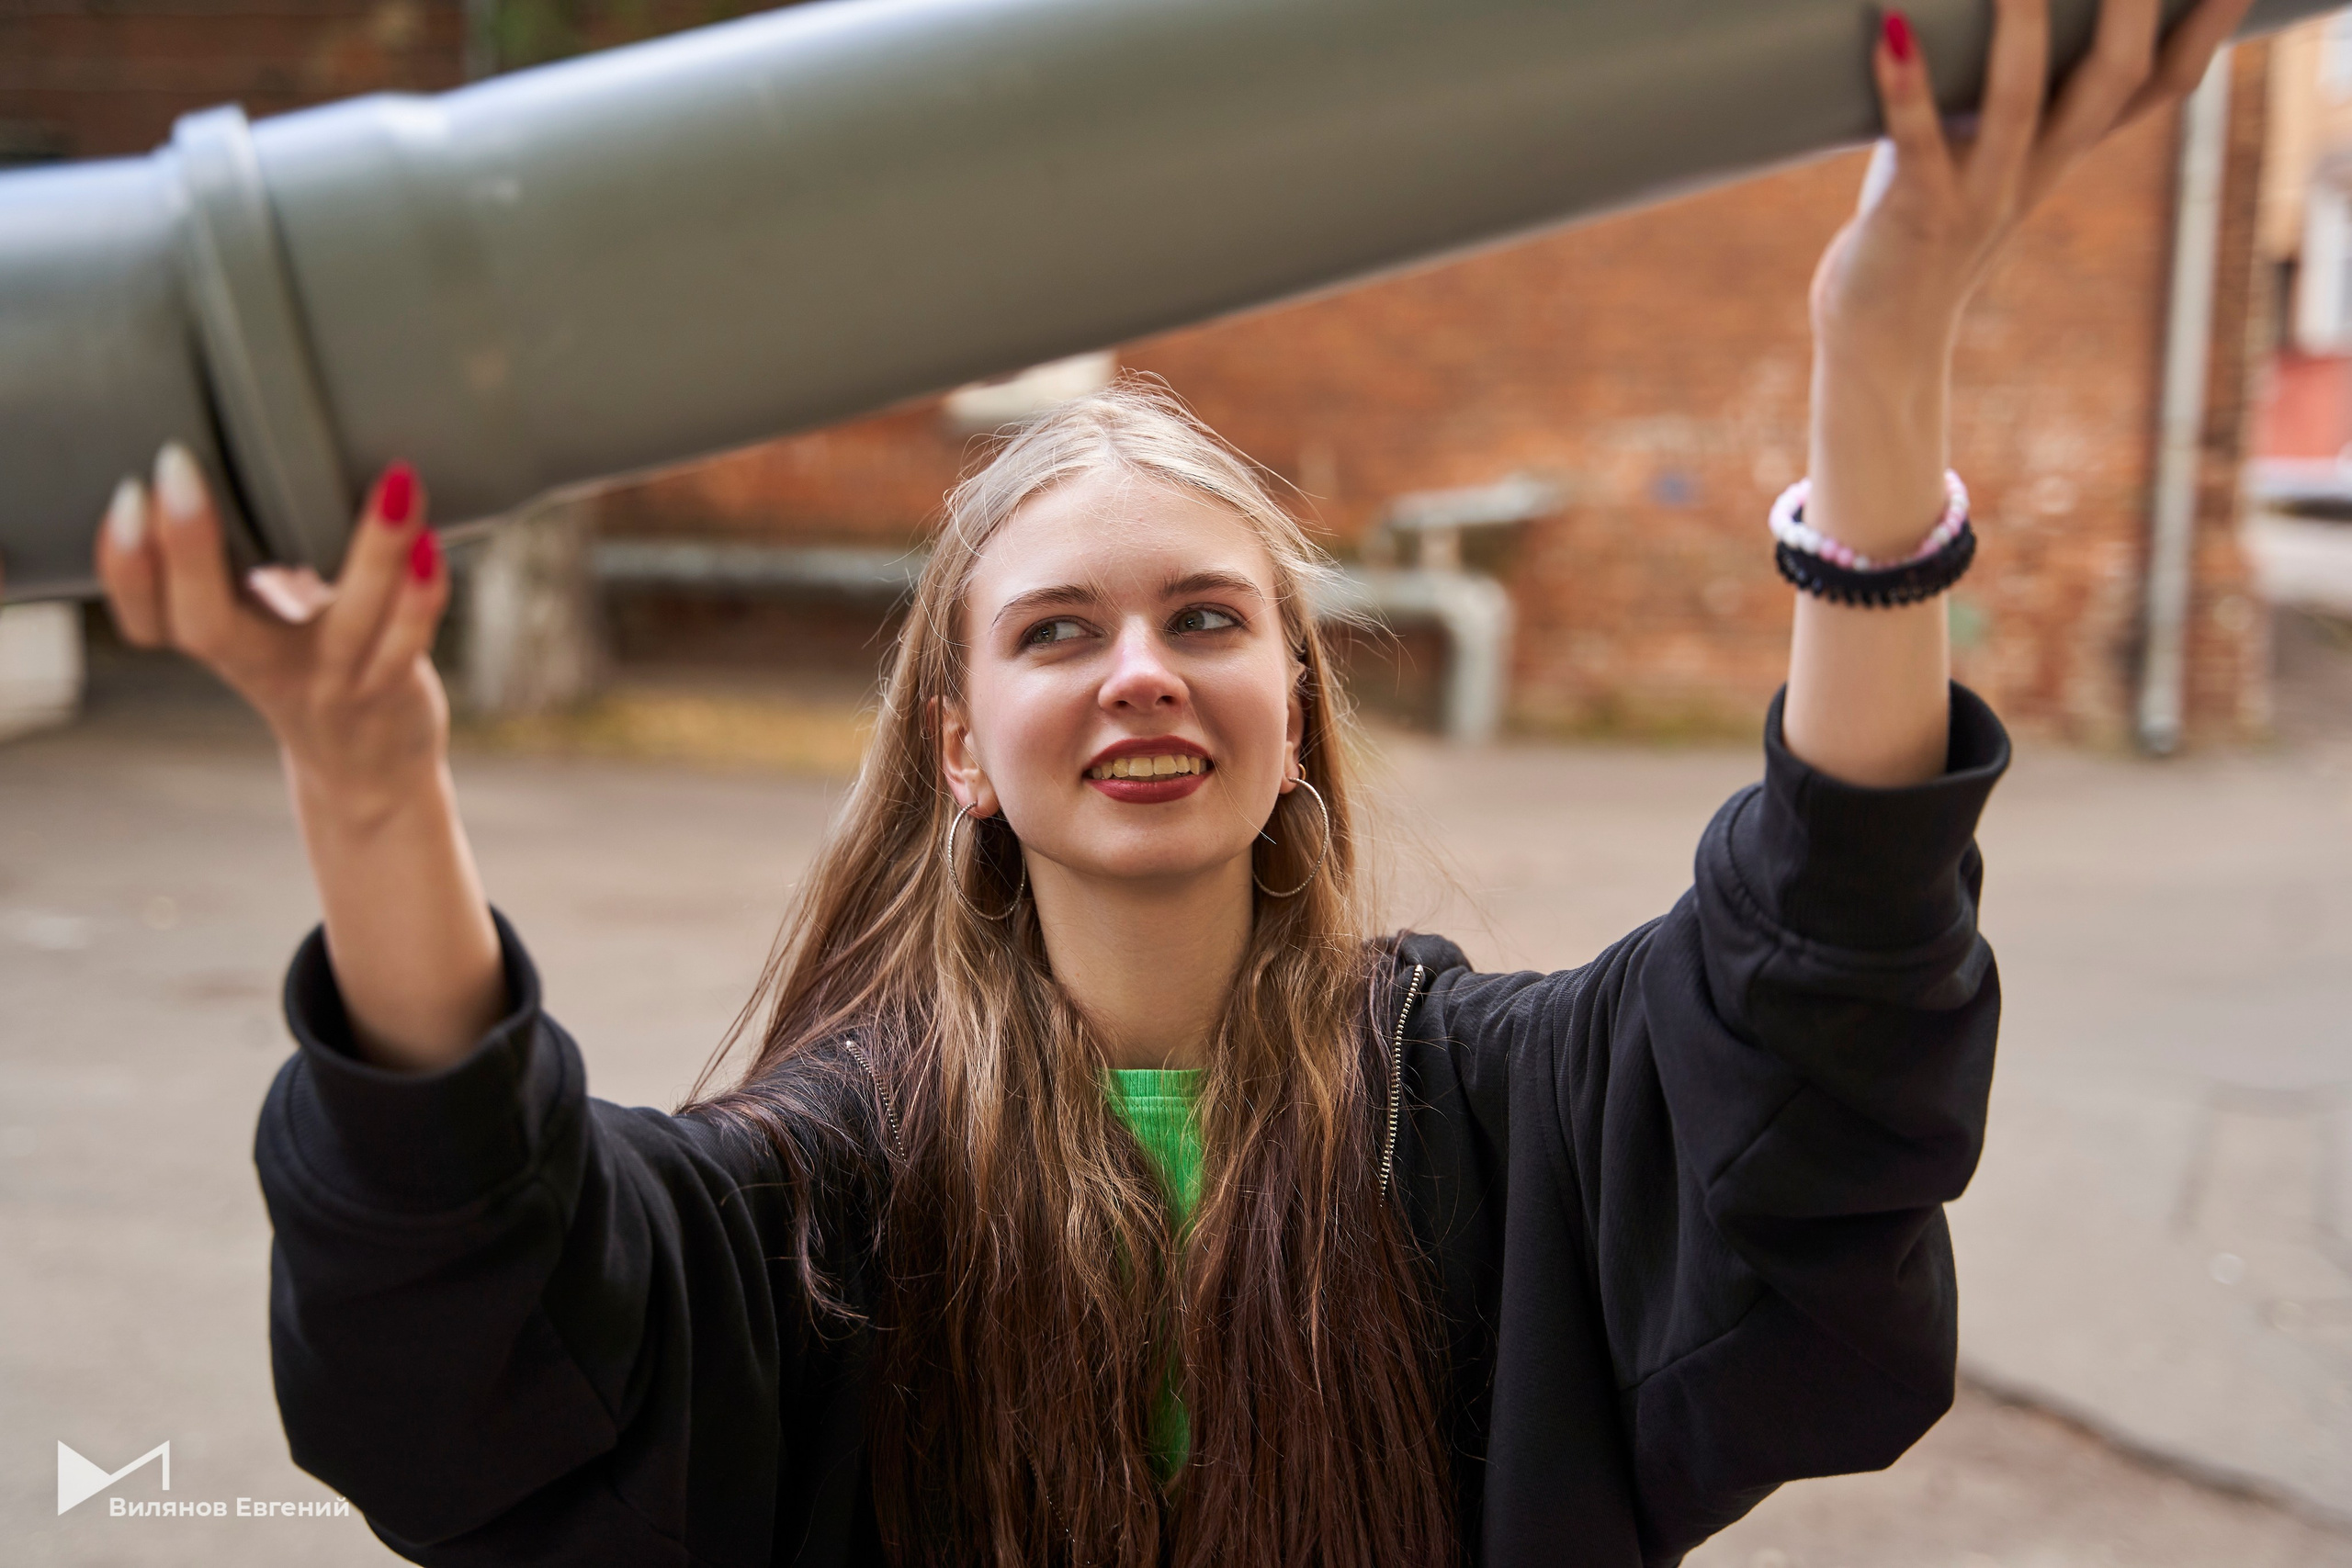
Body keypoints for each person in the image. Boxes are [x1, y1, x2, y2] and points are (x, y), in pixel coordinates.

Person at [80, 1, 2252, 1562]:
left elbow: (1820, 999)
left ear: (1293, 706)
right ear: (959, 746)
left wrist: (1876, 362)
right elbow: (476, 1296)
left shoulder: (1487, 1124)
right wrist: (367, 769)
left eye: (1207, 619)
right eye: (1054, 630)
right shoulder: (817, 1217)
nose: (1141, 671)